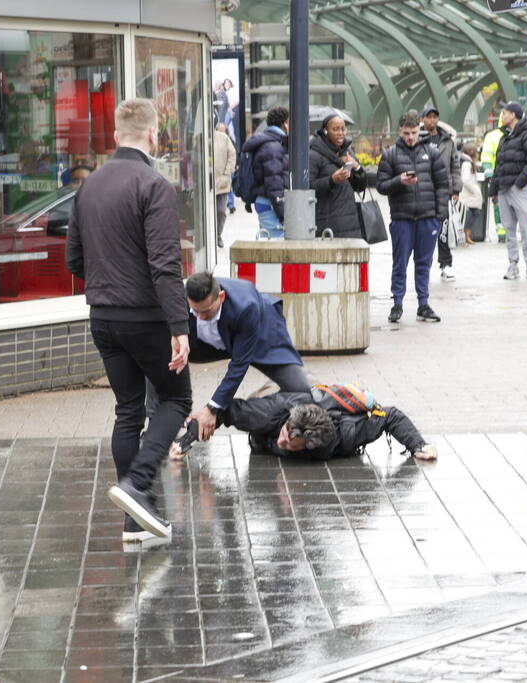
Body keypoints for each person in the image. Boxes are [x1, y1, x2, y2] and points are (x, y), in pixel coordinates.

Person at [66, 98, 192, 541]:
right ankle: (137, 486)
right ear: (154, 135)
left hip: (102, 317)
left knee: (127, 410)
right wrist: (180, 328)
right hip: (146, 318)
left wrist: (108, 280)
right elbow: (165, 265)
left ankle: (135, 521)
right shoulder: (153, 185)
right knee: (177, 400)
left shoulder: (89, 186)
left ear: (116, 135)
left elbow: (74, 259)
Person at [181, 271, 310, 443]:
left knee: (301, 391)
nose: (201, 317)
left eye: (206, 311)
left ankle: (261, 402)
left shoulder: (246, 306)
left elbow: (239, 365)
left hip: (261, 338)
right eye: (195, 311)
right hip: (209, 343)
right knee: (164, 353)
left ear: (221, 296)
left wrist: (213, 408)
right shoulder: (179, 296)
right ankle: (160, 418)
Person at [171, 389, 438, 462]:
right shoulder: (273, 415)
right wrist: (185, 442)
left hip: (318, 413)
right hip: (277, 398)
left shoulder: (347, 434)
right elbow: (221, 413)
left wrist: (419, 446)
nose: (283, 441)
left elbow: (390, 415)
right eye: (286, 435)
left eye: (290, 444)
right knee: (262, 416)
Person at [377, 109, 450, 324]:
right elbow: (381, 186)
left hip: (427, 218)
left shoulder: (432, 152)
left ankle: (423, 304)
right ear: (400, 131)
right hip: (402, 218)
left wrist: (439, 215)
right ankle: (397, 303)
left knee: (423, 263)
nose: (410, 137)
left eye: (414, 132)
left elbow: (442, 184)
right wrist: (399, 180)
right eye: (407, 133)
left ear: (419, 130)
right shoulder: (390, 155)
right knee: (399, 263)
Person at [490, 101, 527, 281]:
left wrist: (519, 182)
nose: (502, 116)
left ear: (513, 115)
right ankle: (513, 265)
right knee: (509, 230)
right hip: (504, 190)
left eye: (505, 113)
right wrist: (493, 190)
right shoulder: (504, 138)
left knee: (526, 229)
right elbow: (499, 165)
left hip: (518, 189)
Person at [418, 106, 462, 280]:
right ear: (423, 120)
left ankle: (446, 264)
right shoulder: (418, 139)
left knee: (443, 229)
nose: (432, 120)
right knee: (425, 230)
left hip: (443, 189)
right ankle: (424, 265)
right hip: (422, 190)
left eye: (435, 117)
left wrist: (456, 189)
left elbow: (455, 165)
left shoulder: (447, 140)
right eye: (428, 117)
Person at [309, 114, 367, 238]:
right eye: (335, 129)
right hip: (327, 223)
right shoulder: (314, 155)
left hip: (351, 222)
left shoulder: (347, 152)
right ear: (325, 131)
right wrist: (332, 180)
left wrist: (357, 166)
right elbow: (309, 187)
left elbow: (360, 187)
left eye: (343, 129)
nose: (341, 133)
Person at [243, 106, 290, 238]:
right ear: (285, 123)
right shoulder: (272, 147)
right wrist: (283, 215)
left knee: (269, 242)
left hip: (267, 203)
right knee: (275, 247)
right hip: (271, 205)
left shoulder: (272, 143)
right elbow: (274, 184)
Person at [214, 123, 236, 248]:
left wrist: (227, 173)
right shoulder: (199, 138)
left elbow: (232, 155)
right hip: (206, 184)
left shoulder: (223, 138)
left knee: (221, 211)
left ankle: (218, 235)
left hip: (221, 182)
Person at [458, 142, 482, 246]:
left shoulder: (467, 162)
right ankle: (465, 236)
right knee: (470, 214)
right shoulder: (467, 163)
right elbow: (465, 179)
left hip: (469, 194)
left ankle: (466, 236)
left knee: (473, 213)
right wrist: (476, 190)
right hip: (468, 194)